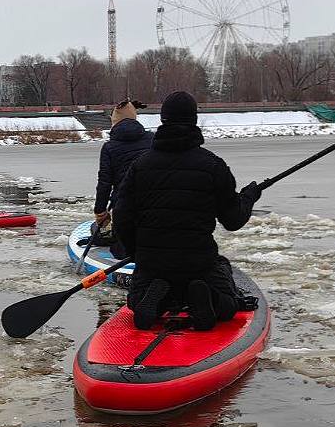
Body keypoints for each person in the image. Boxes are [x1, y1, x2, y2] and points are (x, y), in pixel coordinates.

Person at [112, 91, 261, 331]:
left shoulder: (140, 166)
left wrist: (137, 252)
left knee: (136, 300)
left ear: (163, 119)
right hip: (198, 262)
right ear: (194, 120)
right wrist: (248, 197)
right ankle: (205, 298)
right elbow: (232, 220)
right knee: (229, 304)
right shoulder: (213, 165)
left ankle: (152, 301)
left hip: (153, 263)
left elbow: (121, 217)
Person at [92, 99, 153, 258]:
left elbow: (104, 183)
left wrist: (100, 212)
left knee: (122, 249)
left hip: (124, 206)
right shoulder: (153, 140)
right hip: (154, 203)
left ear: (114, 123)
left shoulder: (109, 148)